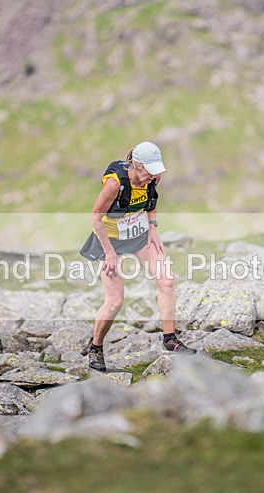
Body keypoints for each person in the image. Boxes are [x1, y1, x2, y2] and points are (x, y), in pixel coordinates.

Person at [79, 141, 197, 372]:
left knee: (167, 281)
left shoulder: (153, 178)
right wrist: (110, 253)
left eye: (156, 171)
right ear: (136, 165)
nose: (152, 176)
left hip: (140, 235)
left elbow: (151, 202)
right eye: (149, 171)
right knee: (115, 301)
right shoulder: (115, 184)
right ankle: (95, 348)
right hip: (110, 241)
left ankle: (169, 340)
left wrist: (153, 228)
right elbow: (95, 218)